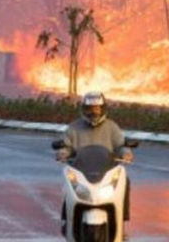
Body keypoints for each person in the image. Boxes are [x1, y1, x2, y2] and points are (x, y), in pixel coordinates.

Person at [56, 91, 134, 237]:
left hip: (106, 172)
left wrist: (126, 153)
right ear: (83, 109)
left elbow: (121, 144)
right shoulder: (74, 128)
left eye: (97, 108)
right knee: (68, 185)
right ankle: (67, 220)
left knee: (126, 181)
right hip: (80, 172)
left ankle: (121, 222)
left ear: (103, 109)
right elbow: (65, 145)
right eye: (90, 109)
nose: (93, 112)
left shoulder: (112, 127)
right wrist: (63, 152)